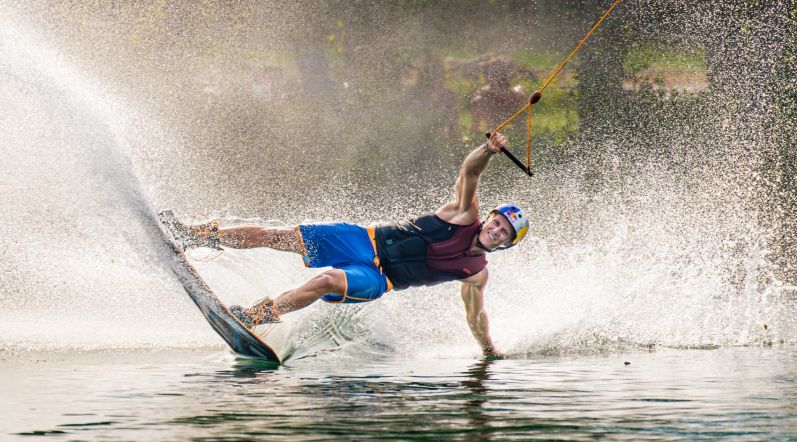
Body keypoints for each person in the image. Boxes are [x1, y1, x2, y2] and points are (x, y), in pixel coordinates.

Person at [160, 132, 529, 358]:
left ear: (506, 245)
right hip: (363, 238)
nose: (495, 230)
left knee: (328, 281)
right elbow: (470, 172)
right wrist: (488, 149)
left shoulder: (475, 274)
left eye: (503, 233)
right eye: (497, 222)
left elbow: (475, 316)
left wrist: (488, 350)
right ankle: (199, 236)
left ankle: (255, 317)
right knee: (282, 237)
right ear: (490, 217)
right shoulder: (465, 215)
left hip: (379, 279)